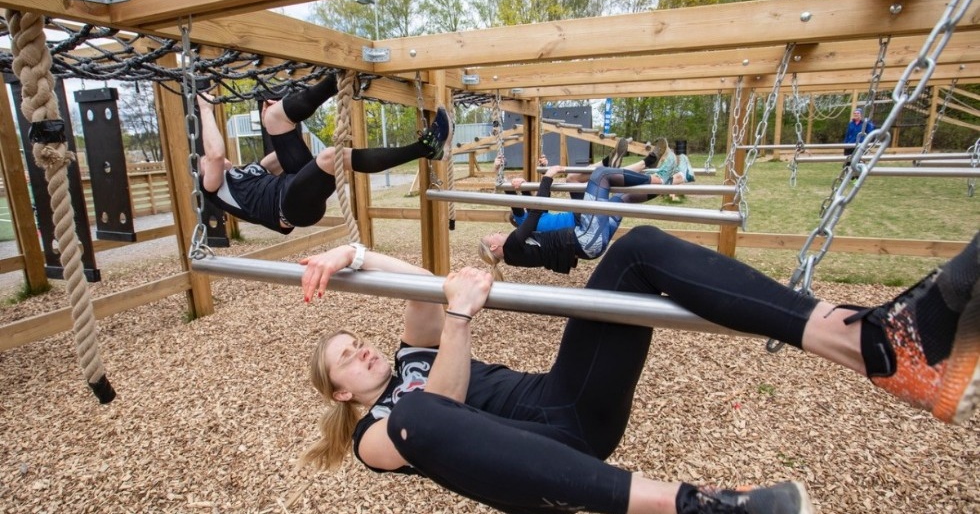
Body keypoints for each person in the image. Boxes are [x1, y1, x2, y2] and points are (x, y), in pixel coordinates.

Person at [297, 227, 980, 514]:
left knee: (637, 252)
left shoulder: (411, 351)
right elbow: (442, 407)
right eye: (346, 358)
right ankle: (701, 504)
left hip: (569, 403)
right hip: (541, 467)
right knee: (423, 411)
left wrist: (356, 250)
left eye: (358, 340)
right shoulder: (377, 435)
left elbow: (422, 285)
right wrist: (461, 315)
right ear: (341, 393)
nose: (362, 351)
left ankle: (881, 346)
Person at [196, 76, 451, 234]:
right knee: (331, 157)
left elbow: (279, 155)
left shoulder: (244, 173)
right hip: (291, 209)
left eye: (204, 157)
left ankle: (337, 80)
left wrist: (274, 124)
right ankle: (426, 149)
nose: (207, 157)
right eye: (203, 161)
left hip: (291, 187)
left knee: (274, 119)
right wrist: (205, 110)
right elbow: (216, 154)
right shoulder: (213, 188)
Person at [480, 161, 685, 278]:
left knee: (623, 197)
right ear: (496, 247)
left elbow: (532, 211)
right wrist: (548, 178)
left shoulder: (516, 252)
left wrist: (508, 180)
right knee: (602, 175)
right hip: (586, 238)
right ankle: (660, 179)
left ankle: (671, 182)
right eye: (493, 236)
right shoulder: (513, 247)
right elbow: (535, 212)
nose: (498, 232)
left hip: (590, 243)